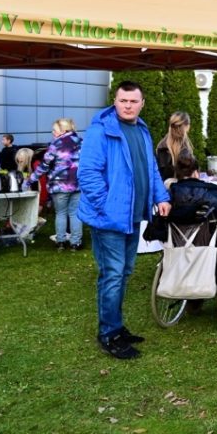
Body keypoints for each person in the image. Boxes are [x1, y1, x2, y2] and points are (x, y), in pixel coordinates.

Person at [77, 81, 171, 361]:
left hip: (132, 217)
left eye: (133, 101)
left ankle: (116, 326)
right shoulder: (100, 131)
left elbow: (150, 168)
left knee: (124, 272)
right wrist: (107, 206)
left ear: (142, 103)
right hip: (109, 219)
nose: (128, 106)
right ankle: (108, 334)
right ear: (115, 102)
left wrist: (161, 196)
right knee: (113, 274)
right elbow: (88, 174)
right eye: (123, 101)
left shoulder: (141, 130)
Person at [27, 117, 84, 250]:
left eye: (54, 130)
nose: (53, 132)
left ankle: (61, 242)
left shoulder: (56, 144)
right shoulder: (82, 142)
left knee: (61, 213)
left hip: (59, 185)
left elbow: (44, 166)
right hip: (77, 184)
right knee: (75, 213)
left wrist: (30, 180)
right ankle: (76, 243)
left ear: (63, 130)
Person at [156, 112, 193, 181]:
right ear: (187, 126)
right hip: (180, 185)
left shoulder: (161, 145)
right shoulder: (185, 148)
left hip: (163, 185)